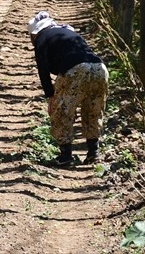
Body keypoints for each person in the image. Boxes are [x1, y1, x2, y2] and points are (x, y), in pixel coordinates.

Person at [27, 10, 108, 166]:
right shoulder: (66, 32)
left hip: (75, 70)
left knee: (61, 110)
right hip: (100, 67)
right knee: (93, 109)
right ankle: (94, 153)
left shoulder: (41, 39)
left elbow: (42, 69)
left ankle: (66, 157)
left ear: (35, 34)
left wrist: (50, 96)